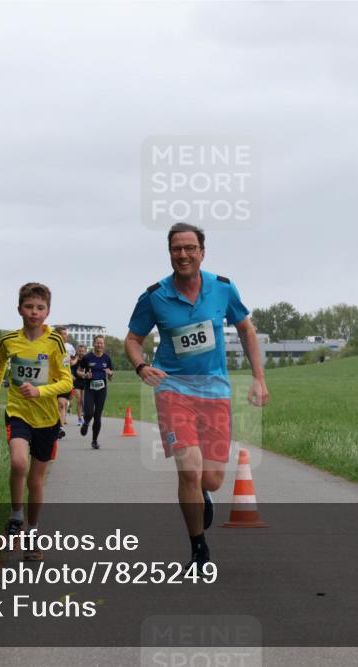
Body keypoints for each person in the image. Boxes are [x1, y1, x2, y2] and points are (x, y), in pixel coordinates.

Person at [125, 222, 268, 574]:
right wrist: (142, 366)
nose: (184, 254)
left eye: (190, 248)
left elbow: (246, 330)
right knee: (189, 467)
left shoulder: (223, 288)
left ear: (202, 253)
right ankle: (199, 549)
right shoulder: (154, 296)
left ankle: (203, 494)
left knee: (211, 479)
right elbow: (132, 339)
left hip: (215, 391)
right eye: (177, 249)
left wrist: (258, 378)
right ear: (169, 253)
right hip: (173, 389)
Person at [0, 283, 72, 561]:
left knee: (36, 480)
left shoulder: (55, 342)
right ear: (19, 309)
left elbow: (67, 381)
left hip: (46, 418)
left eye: (40, 307)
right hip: (18, 412)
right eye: (29, 306)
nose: (34, 312)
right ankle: (15, 518)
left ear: (47, 312)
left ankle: (33, 533)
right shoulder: (9, 341)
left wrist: (40, 391)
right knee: (19, 462)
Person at [78, 336, 114, 449]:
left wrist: (110, 374)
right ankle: (86, 423)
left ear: (104, 345)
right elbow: (79, 371)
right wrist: (85, 375)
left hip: (102, 390)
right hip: (90, 389)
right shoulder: (87, 357)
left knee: (97, 416)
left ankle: (94, 440)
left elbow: (110, 377)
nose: (99, 345)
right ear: (94, 344)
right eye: (97, 343)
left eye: (101, 343)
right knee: (88, 413)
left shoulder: (107, 358)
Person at [53, 326, 75, 439]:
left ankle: (60, 428)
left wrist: (71, 372)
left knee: (62, 404)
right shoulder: (50, 346)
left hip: (64, 381)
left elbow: (73, 361)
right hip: (52, 382)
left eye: (66, 334)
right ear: (57, 335)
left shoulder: (69, 348)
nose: (66, 336)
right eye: (64, 334)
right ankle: (53, 426)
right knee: (53, 405)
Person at [70, 344, 88, 426]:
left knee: (83, 400)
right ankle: (79, 418)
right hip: (76, 381)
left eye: (83, 351)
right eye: (80, 351)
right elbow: (69, 367)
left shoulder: (87, 360)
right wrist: (71, 375)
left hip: (85, 381)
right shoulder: (74, 359)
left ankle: (84, 416)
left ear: (85, 351)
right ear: (77, 351)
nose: (81, 353)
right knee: (79, 400)